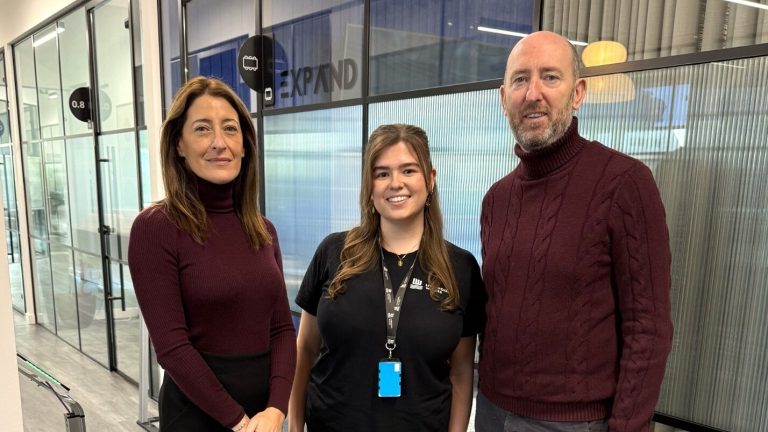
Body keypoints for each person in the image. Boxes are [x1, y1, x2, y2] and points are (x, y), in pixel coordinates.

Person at [477, 31, 674, 432]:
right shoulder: (496, 199)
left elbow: (648, 327)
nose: (533, 93)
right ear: (503, 98)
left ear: (578, 93)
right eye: (520, 79)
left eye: (550, 77)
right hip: (491, 412)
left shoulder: (625, 184)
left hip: (575, 423)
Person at [288, 124, 486, 431]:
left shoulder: (459, 267)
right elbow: (305, 350)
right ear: (369, 186)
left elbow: (461, 373)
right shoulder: (334, 252)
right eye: (382, 174)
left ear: (430, 179)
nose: (395, 183)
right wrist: (294, 426)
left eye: (408, 170)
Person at [128, 76, 296, 432]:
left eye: (230, 129)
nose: (219, 142)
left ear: (245, 145)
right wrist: (239, 422)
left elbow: (282, 328)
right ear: (179, 144)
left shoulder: (263, 229)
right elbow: (171, 347)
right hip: (198, 416)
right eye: (202, 129)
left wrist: (276, 410)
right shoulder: (155, 228)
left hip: (263, 417)